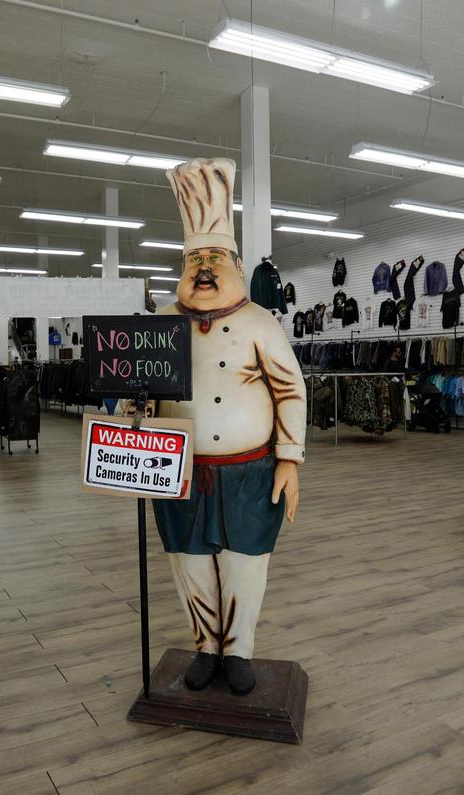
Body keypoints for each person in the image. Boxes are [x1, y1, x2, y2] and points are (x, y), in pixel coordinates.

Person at [144, 158, 306, 695]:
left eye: (216, 257)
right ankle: (205, 646)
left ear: (234, 262)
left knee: (244, 566)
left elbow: (290, 389)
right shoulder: (161, 325)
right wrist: (128, 436)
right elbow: (137, 392)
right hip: (178, 472)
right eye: (196, 259)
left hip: (249, 474)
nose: (206, 268)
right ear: (184, 266)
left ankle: (239, 651)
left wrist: (289, 460)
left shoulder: (262, 322)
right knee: (188, 565)